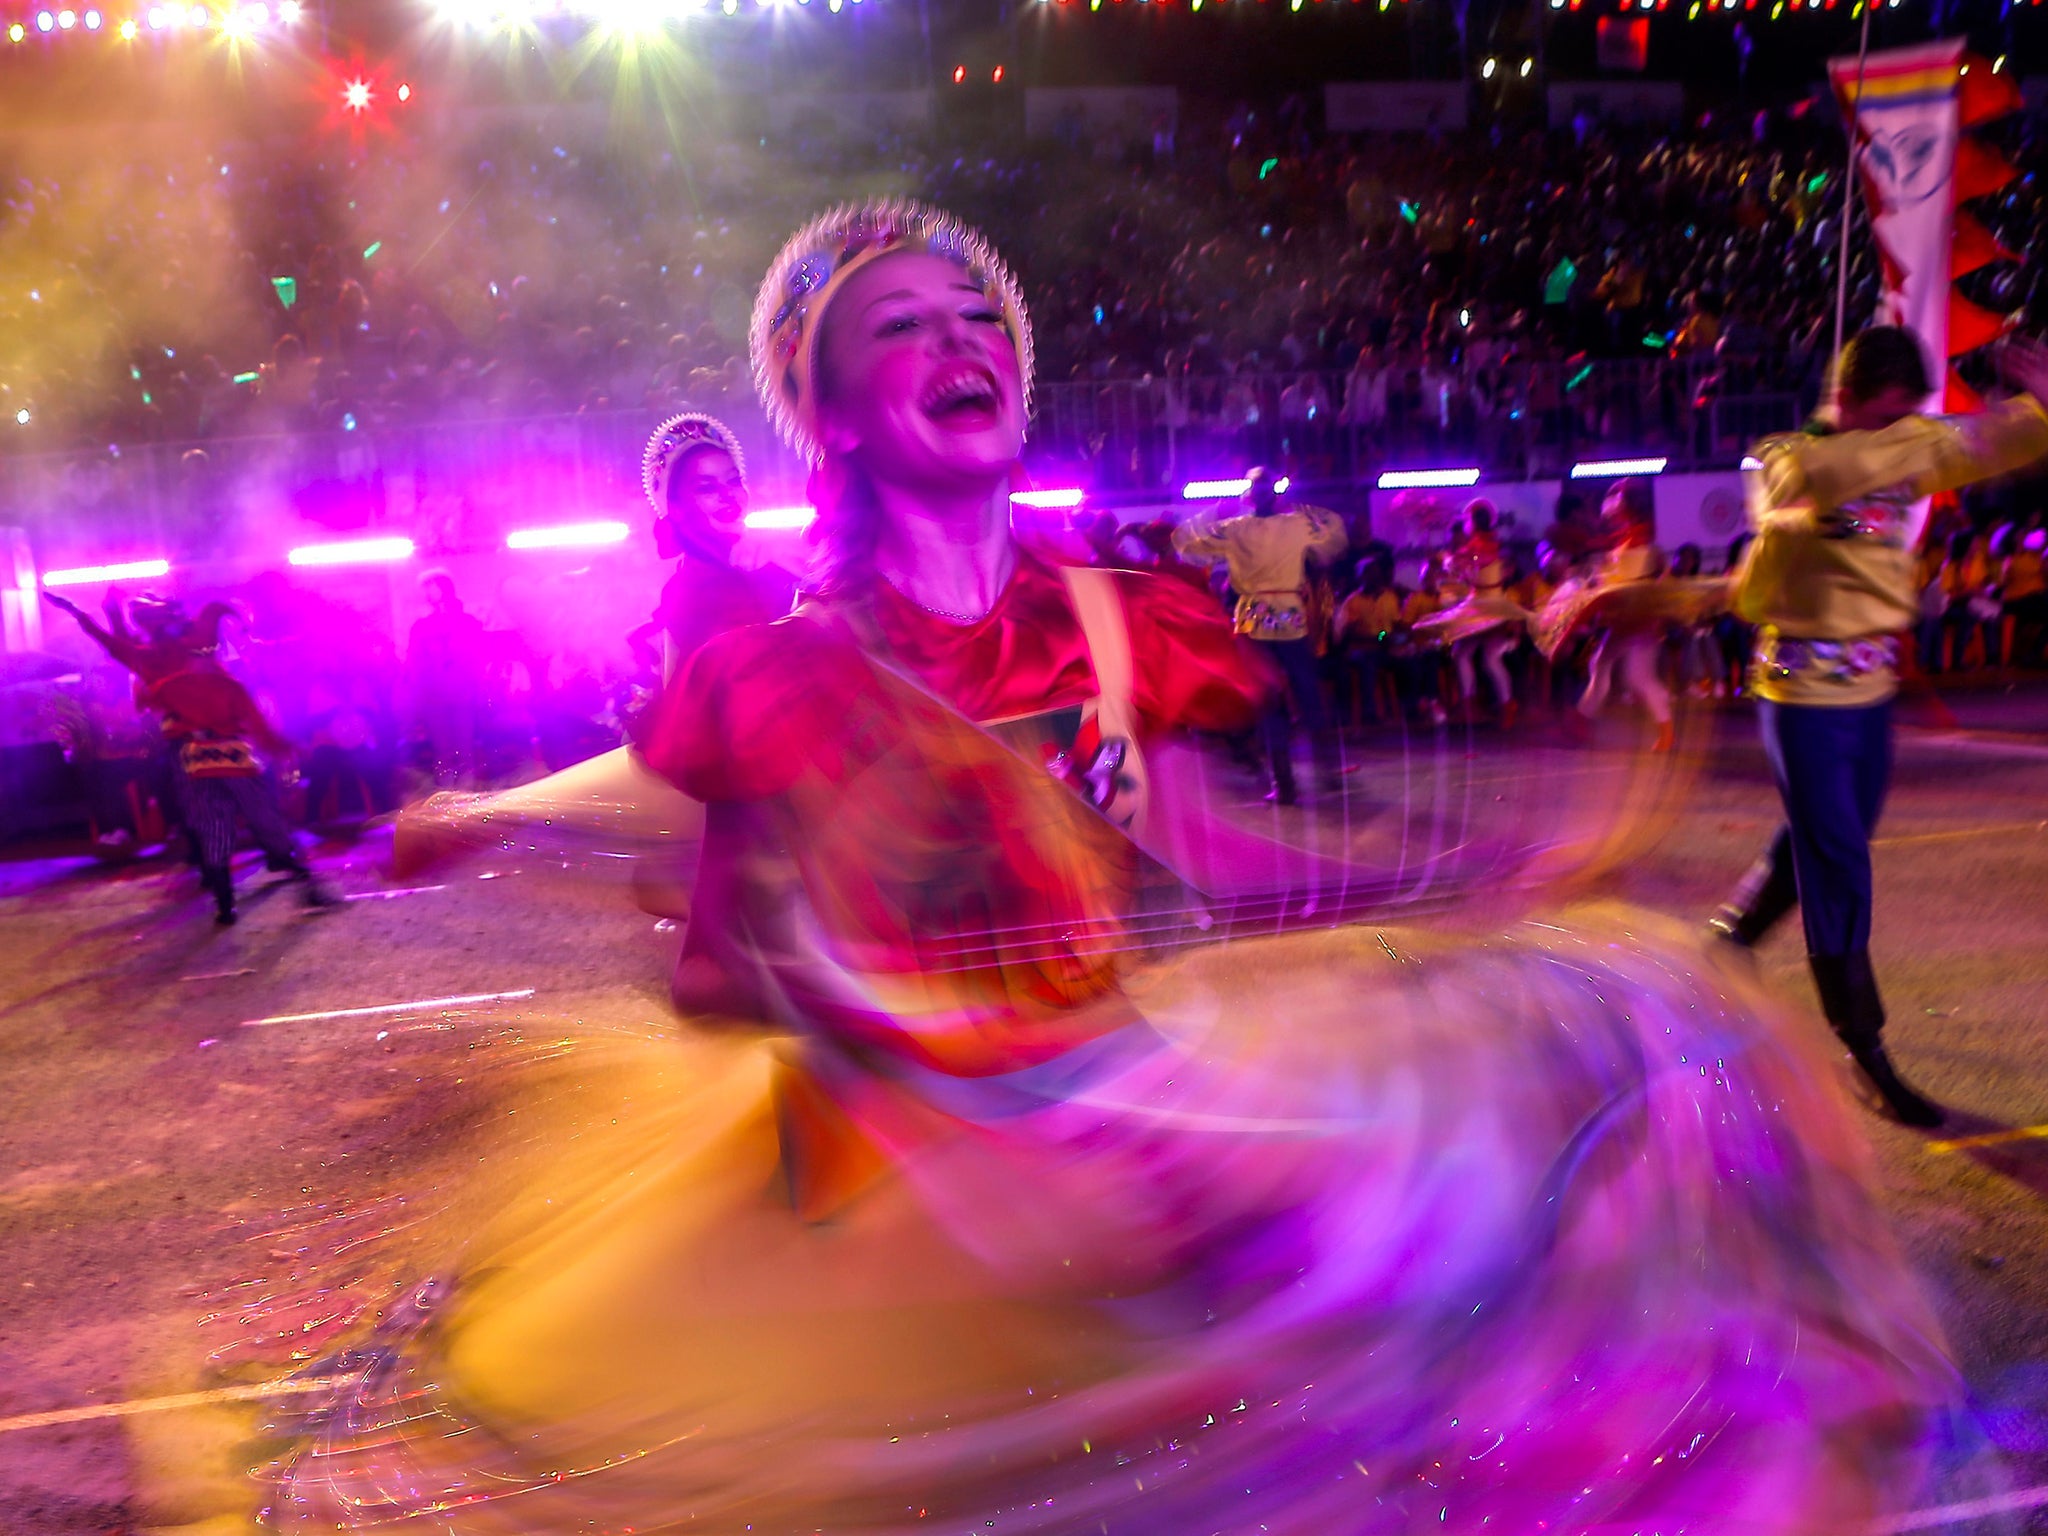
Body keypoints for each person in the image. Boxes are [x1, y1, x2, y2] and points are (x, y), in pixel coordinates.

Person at [213, 202, 1958, 1535]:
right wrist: (489, 819)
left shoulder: (1112, 625)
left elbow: (1207, 854)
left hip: (1112, 1084)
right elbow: (660, 775)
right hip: (917, 1150)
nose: (959, 337)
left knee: (1625, 1018)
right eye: (900, 325)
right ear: (823, 408)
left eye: (977, 313)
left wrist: (1499, 859)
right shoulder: (790, 659)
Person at [1709, 326, 2048, 1127]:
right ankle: (1866, 1046)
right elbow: (1796, 490)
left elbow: (2001, 444)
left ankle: (1727, 942)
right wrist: (1925, 444)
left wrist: (2036, 407)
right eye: (1888, 417)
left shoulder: (1905, 443)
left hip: (1869, 690)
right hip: (1799, 690)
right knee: (1840, 864)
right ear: (1848, 397)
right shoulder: (1783, 454)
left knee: (1827, 838)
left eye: (1908, 421)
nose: (1903, 433)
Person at [42, 587, 336, 924]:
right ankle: (284, 883)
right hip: (219, 759)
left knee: (217, 828)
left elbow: (114, 643)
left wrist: (85, 614)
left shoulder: (160, 668)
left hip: (198, 760)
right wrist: (285, 748)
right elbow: (119, 643)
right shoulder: (195, 673)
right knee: (251, 822)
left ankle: (229, 903)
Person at [1174, 467, 1348, 802]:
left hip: (1254, 620)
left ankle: (1285, 785)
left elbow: (1186, 546)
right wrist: (1304, 511)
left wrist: (1213, 512)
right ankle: (1326, 770)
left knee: (1269, 700)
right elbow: (1335, 538)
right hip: (1289, 616)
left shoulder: (1234, 528)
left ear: (1249, 496)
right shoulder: (1297, 524)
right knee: (1306, 690)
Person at [626, 411, 795, 682]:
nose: (728, 496)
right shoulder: (683, 594)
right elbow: (682, 706)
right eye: (706, 487)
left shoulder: (780, 560)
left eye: (733, 481)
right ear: (678, 509)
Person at [405, 571, 488, 787]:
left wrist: (477, 691)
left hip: (460, 696)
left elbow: (477, 660)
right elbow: (415, 667)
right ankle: (450, 793)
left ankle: (464, 793)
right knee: (443, 747)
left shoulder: (467, 623)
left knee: (462, 745)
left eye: (430, 586)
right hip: (436, 699)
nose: (426, 592)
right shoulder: (422, 628)